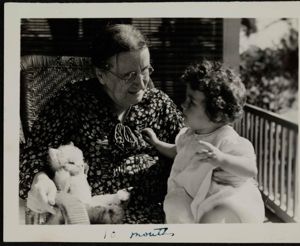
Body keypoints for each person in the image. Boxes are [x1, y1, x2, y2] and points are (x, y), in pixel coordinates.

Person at [19, 24, 184, 224]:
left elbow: (193, 144)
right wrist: (40, 179)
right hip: (91, 221)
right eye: (129, 75)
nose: (142, 83)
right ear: (101, 75)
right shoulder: (72, 102)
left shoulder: (159, 104)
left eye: (145, 70)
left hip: (160, 219)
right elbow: (32, 154)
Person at [142, 60, 265, 223]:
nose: (183, 104)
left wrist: (222, 159)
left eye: (191, 102)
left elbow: (250, 169)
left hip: (220, 200)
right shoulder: (189, 135)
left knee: (214, 217)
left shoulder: (227, 138)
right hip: (192, 198)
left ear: (217, 114)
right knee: (177, 212)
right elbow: (177, 151)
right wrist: (157, 143)